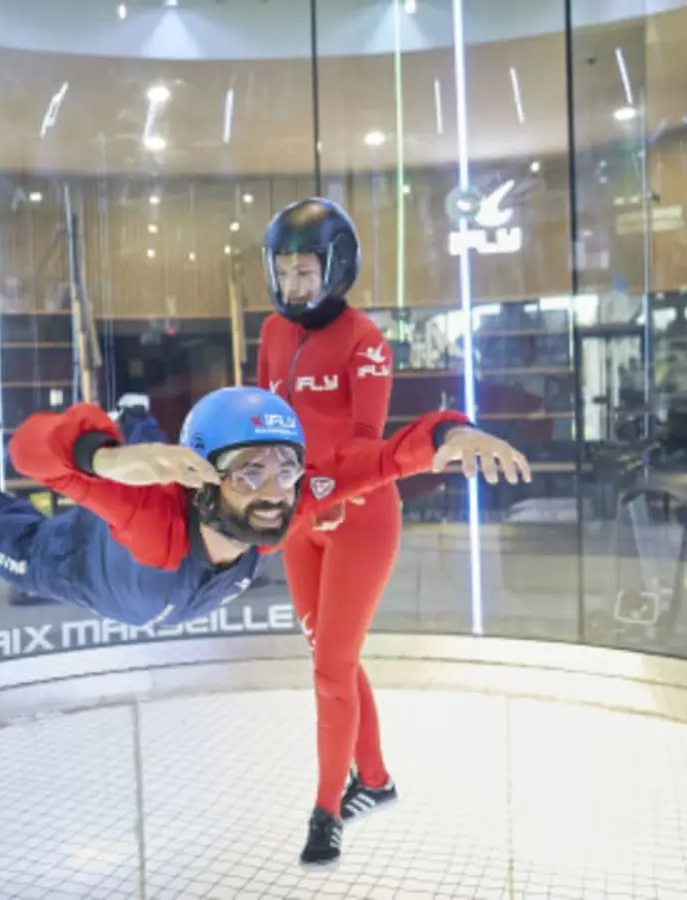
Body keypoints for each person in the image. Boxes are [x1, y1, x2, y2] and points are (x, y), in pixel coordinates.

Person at [0, 385, 529, 865]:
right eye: (249, 471)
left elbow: (388, 458)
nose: (273, 490)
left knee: (186, 466)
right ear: (208, 480)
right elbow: (33, 452)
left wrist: (452, 435)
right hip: (71, 559)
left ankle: (135, 422)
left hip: (155, 526)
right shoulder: (150, 521)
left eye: (286, 466)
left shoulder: (284, 509)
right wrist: (102, 458)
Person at [256, 197, 411, 863]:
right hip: (298, 521)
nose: (292, 287)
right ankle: (374, 781)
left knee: (329, 669)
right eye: (283, 273)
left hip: (358, 516)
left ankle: (326, 811)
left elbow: (362, 448)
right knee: (333, 657)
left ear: (336, 268)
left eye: (305, 273)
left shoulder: (366, 343)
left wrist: (318, 495)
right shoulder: (271, 333)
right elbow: (267, 421)